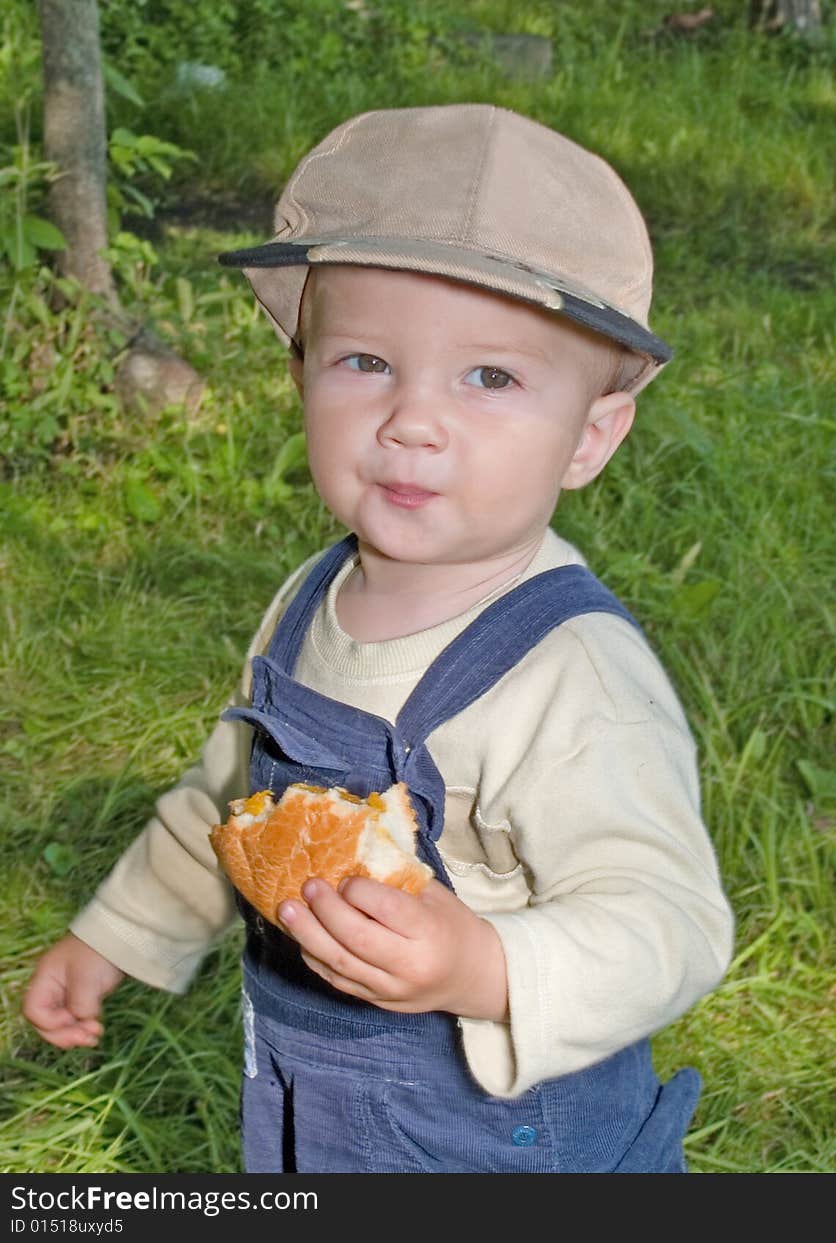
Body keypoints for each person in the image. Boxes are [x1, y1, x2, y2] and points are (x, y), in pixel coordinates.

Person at [22, 104, 734, 1174]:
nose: (412, 418)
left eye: (489, 377)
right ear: (300, 374)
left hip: (507, 1140)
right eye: (365, 361)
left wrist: (488, 965)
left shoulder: (570, 673)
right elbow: (233, 797)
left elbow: (670, 924)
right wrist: (120, 933)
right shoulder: (313, 596)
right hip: (327, 1113)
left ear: (589, 438)